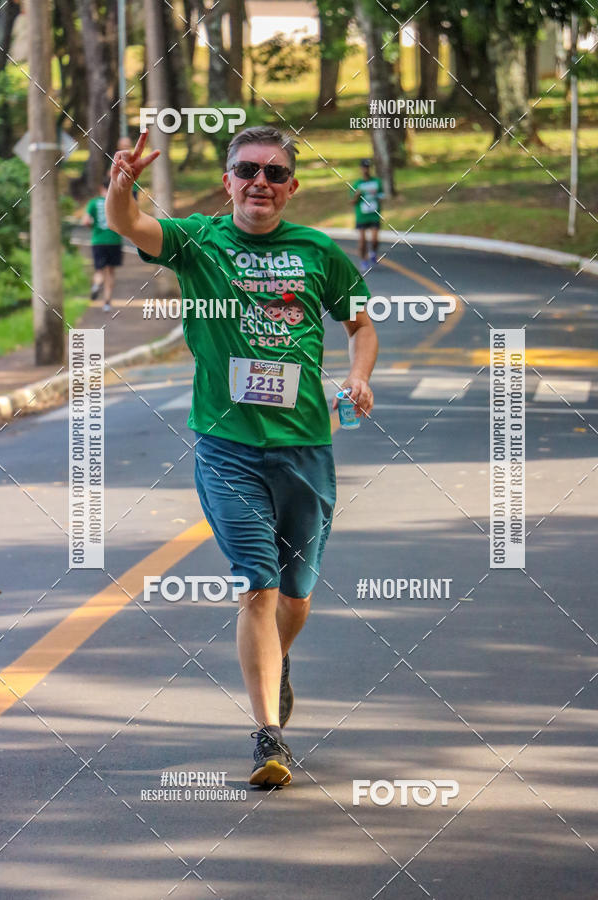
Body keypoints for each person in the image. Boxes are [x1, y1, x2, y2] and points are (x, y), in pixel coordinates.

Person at [105, 126, 378, 788]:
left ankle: (275, 666)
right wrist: (119, 186)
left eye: (275, 173)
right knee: (255, 581)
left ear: (291, 188)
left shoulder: (318, 252)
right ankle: (267, 736)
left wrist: (360, 376)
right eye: (247, 170)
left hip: (306, 444)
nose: (261, 181)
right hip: (227, 446)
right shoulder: (199, 241)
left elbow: (361, 324)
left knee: (296, 595)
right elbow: (131, 223)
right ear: (228, 181)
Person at [81, 177, 123, 311]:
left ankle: (96, 284)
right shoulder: (117, 202)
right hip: (114, 241)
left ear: (101, 188)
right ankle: (106, 303)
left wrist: (93, 227)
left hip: (98, 241)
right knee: (110, 272)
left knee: (99, 270)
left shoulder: (93, 203)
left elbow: (86, 221)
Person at [352, 159, 384, 274]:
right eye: (363, 167)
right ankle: (363, 260)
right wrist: (357, 195)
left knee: (375, 239)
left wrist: (377, 197)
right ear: (361, 169)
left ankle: (373, 253)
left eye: (367, 167)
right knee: (362, 241)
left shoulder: (376, 182)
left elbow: (382, 196)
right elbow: (352, 202)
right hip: (362, 216)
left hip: (374, 214)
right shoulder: (357, 184)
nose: (365, 169)